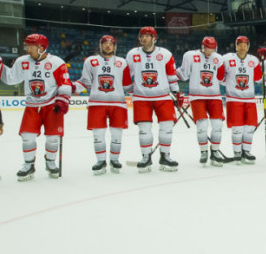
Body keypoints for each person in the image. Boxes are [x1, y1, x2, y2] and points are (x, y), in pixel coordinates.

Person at [0, 35, 71, 180]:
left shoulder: (57, 62)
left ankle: (50, 162)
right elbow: (10, 78)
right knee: (27, 137)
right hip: (32, 105)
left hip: (52, 105)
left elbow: (65, 83)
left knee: (53, 138)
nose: (27, 49)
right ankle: (28, 165)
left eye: (30, 46)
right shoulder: (22, 61)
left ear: (41, 47)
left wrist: (63, 100)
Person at [72, 35, 131, 174]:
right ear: (100, 45)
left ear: (115, 46)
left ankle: (115, 160)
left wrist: (142, 95)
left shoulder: (122, 62)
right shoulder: (91, 61)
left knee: (117, 134)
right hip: (96, 103)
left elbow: (128, 85)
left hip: (118, 103)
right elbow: (85, 81)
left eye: (111, 43)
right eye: (105, 43)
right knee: (98, 134)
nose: (108, 46)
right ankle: (100, 160)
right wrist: (72, 88)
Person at [125, 27, 180, 172]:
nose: (143, 38)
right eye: (141, 36)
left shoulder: (166, 54)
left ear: (154, 38)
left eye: (147, 36)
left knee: (167, 127)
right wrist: (130, 91)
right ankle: (145, 157)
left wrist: (176, 92)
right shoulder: (132, 54)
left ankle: (165, 156)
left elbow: (171, 75)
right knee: (144, 129)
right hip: (141, 97)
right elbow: (126, 76)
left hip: (163, 97)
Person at [178, 37, 227, 166]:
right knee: (202, 126)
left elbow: (222, 79)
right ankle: (204, 151)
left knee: (217, 125)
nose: (210, 51)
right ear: (203, 46)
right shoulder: (190, 56)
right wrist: (168, 74)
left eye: (213, 49)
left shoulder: (219, 59)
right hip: (197, 97)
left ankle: (215, 151)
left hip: (215, 97)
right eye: (208, 48)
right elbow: (183, 75)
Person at [216, 36, 263, 164]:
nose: (242, 47)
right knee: (237, 128)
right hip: (233, 99)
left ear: (248, 46)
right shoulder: (226, 59)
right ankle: (237, 152)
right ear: (236, 46)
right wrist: (230, 84)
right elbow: (220, 77)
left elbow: (258, 78)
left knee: (249, 127)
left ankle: (246, 151)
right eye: (240, 44)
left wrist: (262, 61)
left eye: (245, 44)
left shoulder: (253, 60)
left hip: (250, 99)